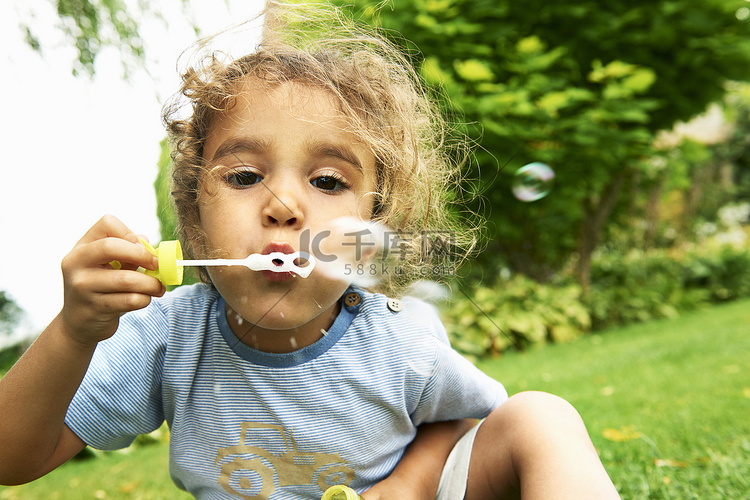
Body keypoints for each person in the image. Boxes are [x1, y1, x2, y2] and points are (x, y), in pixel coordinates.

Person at [0, 2, 620, 499]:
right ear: (193, 217)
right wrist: (74, 333)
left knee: (539, 417)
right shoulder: (165, 338)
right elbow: (11, 458)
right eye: (244, 177)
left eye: (328, 182)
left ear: (370, 228)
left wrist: (406, 486)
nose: (284, 206)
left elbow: (465, 421)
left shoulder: (399, 341)